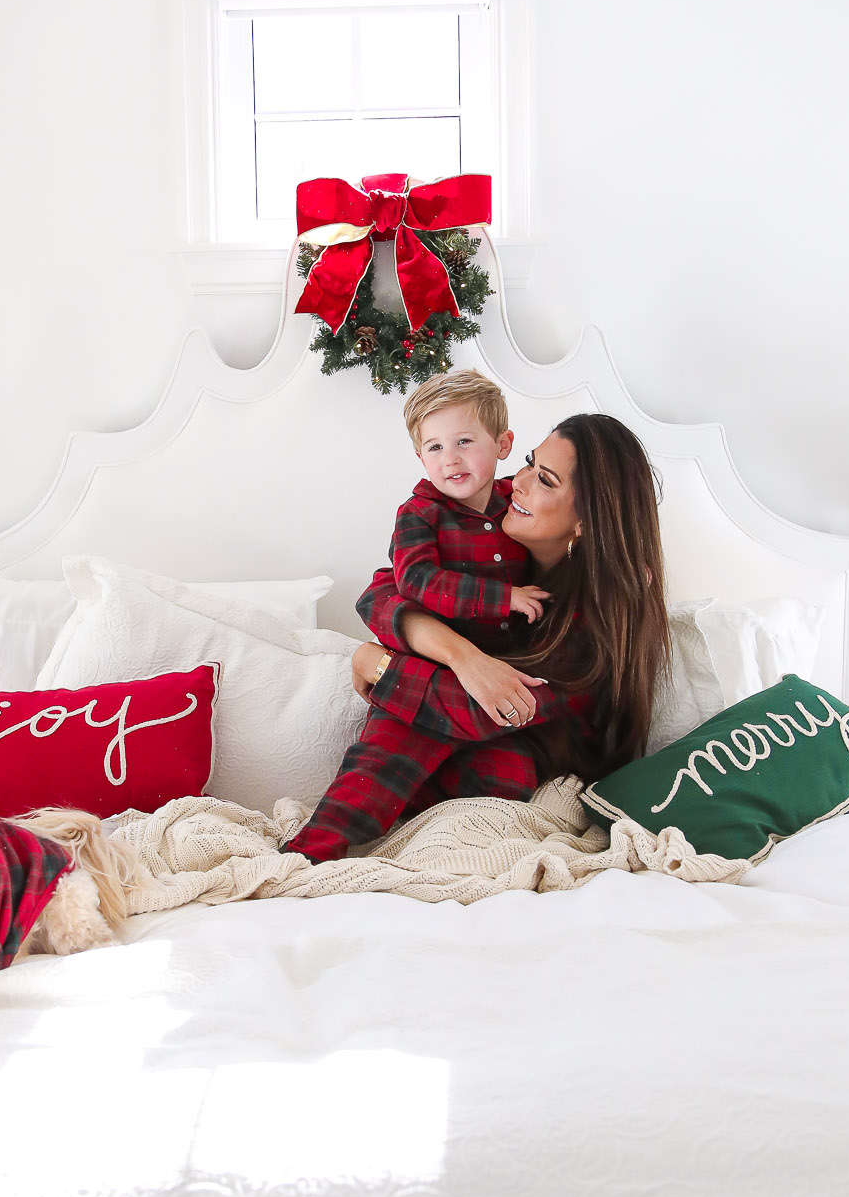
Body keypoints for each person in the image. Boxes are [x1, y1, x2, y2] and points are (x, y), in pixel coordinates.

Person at [282, 412, 670, 862]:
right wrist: (462, 654)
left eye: (544, 480)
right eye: (527, 461)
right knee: (412, 730)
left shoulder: (603, 615)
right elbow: (387, 588)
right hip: (456, 733)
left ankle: (315, 851)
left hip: (519, 755)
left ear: (586, 522)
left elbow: (486, 708)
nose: (518, 482)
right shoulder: (486, 522)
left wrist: (379, 665)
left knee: (475, 758)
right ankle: (315, 849)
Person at [391, 368, 551, 645]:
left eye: (463, 441)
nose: (450, 459)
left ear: (502, 445)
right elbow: (417, 579)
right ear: (421, 458)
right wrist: (506, 597)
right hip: (450, 657)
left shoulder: (518, 499)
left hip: (518, 650)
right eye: (435, 448)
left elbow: (569, 516)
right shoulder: (418, 513)